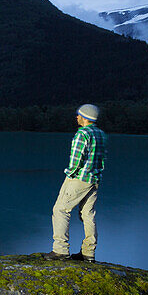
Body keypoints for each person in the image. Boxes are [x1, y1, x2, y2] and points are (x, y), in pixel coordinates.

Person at [47, 104, 107, 262]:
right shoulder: (101, 134)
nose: (77, 116)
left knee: (60, 210)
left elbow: (76, 160)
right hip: (94, 179)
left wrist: (69, 174)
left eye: (79, 114)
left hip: (79, 179)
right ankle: (88, 253)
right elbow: (101, 158)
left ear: (86, 118)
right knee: (88, 214)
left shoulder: (82, 134)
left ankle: (60, 250)